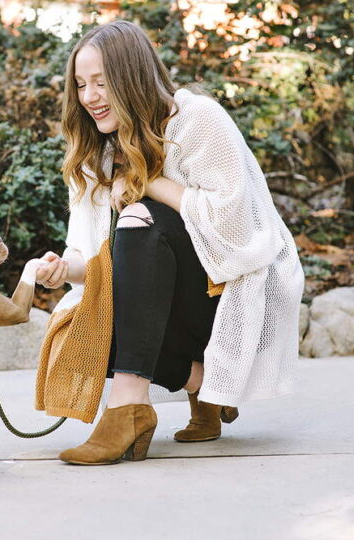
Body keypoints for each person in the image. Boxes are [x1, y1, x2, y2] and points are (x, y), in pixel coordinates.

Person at [34, 20, 304, 465]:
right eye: (81, 85)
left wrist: (146, 183)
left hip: (229, 292)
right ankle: (202, 385)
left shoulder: (196, 119)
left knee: (142, 219)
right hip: (159, 304)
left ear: (132, 77)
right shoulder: (94, 152)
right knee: (84, 322)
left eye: (101, 83)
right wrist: (64, 268)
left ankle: (126, 410)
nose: (90, 97)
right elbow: (89, 255)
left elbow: (234, 228)